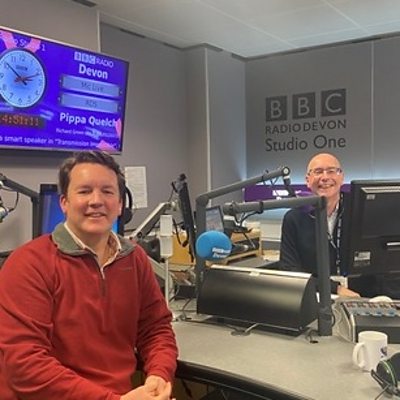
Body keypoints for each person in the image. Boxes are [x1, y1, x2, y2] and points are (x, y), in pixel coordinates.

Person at [0, 151, 178, 400]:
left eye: (107, 191)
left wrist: (159, 375)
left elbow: (156, 329)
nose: (96, 201)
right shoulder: (28, 264)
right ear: (64, 203)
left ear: (120, 205)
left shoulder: (134, 258)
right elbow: (26, 365)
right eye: (84, 191)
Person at [279, 152, 359, 297]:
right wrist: (334, 288)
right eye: (318, 172)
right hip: (315, 295)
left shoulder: (359, 209)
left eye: (331, 171)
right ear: (307, 180)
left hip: (360, 294)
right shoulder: (294, 218)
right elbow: (290, 270)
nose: (325, 177)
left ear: (342, 177)